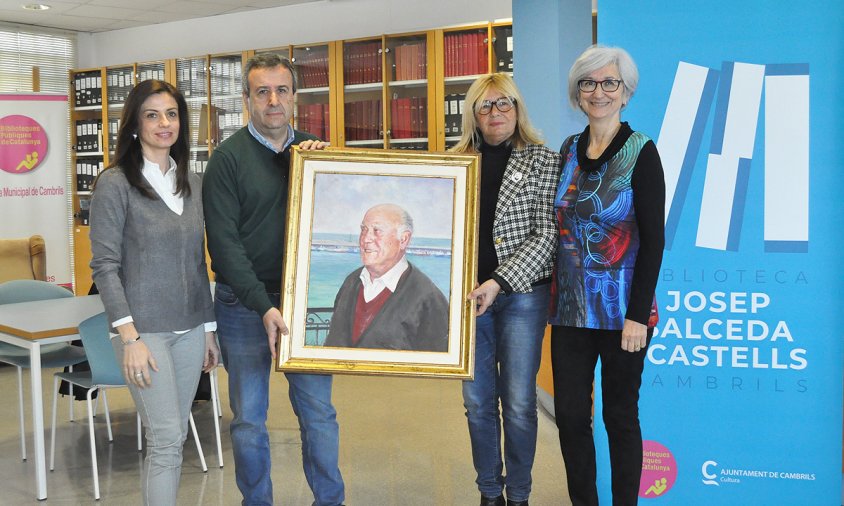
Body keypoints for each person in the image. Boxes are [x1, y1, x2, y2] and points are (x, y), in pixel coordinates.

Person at [202, 53, 345, 506]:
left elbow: (336, 227)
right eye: (262, 91)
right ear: (246, 100)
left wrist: (331, 173)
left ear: (295, 98)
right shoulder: (226, 161)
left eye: (282, 90)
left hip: (304, 304)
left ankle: (330, 500)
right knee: (249, 418)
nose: (273, 100)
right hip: (244, 306)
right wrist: (264, 307)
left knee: (319, 413)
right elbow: (225, 248)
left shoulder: (314, 152)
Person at [89, 79, 219, 506]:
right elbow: (105, 267)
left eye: (172, 114)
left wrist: (208, 329)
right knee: (164, 439)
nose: (164, 124)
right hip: (144, 335)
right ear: (134, 124)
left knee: (177, 434)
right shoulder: (115, 183)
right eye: (152, 114)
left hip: (189, 328)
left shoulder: (192, 183)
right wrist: (130, 338)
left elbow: (198, 262)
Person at [549, 45, 665, 506]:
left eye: (609, 83)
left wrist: (638, 315)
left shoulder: (643, 152)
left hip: (625, 318)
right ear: (577, 93)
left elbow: (654, 241)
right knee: (571, 419)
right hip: (570, 312)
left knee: (619, 417)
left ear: (626, 93)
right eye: (588, 83)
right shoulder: (567, 150)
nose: (599, 92)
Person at [451, 73, 562, 506]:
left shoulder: (543, 160)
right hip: (466, 301)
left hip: (521, 297)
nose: (495, 113)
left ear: (517, 110)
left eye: (504, 104)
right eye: (485, 106)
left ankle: (518, 494)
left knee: (517, 403)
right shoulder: (455, 162)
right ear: (473, 115)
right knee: (477, 403)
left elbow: (547, 236)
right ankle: (488, 493)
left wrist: (497, 281)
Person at [323, 203, 449, 351]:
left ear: (404, 239)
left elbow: (437, 365)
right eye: (364, 229)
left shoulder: (429, 298)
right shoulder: (352, 281)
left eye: (377, 231)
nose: (365, 239)